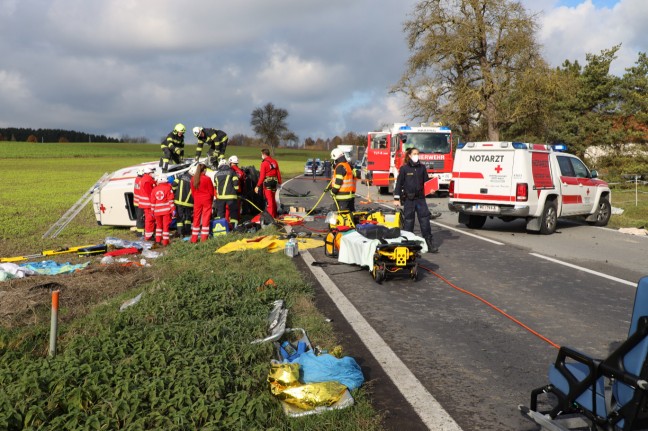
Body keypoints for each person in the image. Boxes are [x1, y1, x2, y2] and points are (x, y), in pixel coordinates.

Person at [393, 147, 438, 253]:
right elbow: (399, 184)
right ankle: (408, 245)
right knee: (409, 222)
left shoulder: (422, 168)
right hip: (409, 200)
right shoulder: (404, 169)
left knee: (425, 221)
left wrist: (431, 189)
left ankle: (429, 243)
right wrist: (396, 198)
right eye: (414, 153)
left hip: (420, 199)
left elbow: (426, 182)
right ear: (409, 155)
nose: (416, 155)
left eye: (417, 153)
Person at [189, 163, 214, 243]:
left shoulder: (193, 179)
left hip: (197, 200)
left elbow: (192, 192)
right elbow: (211, 191)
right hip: (206, 200)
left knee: (196, 219)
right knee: (205, 219)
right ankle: (204, 238)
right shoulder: (207, 179)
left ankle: (194, 238)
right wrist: (211, 200)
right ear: (204, 170)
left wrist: (196, 198)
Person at [326, 148, 356, 212]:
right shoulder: (348, 165)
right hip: (350, 196)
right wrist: (330, 186)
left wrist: (333, 191)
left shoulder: (339, 167)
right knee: (350, 215)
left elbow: (338, 182)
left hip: (342, 196)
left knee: (340, 216)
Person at [255, 148, 282, 219]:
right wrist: (279, 182)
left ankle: (270, 218)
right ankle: (275, 215)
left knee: (269, 201)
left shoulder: (264, 163)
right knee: (273, 199)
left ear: (264, 154)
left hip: (268, 184)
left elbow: (262, 176)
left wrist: (257, 186)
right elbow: (278, 173)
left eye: (262, 154)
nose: (261, 156)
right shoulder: (274, 161)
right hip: (274, 183)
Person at [214, 158, 240, 230]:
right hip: (231, 196)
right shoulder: (232, 172)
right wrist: (236, 190)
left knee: (220, 213)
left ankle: (220, 228)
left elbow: (215, 186)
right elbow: (236, 182)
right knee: (233, 213)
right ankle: (234, 228)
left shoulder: (216, 174)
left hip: (220, 197)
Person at [150, 175, 175, 246]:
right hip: (166, 211)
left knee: (158, 226)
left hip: (157, 212)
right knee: (165, 226)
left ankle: (157, 240)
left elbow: (152, 202)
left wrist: (152, 211)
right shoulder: (168, 188)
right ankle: (165, 241)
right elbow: (170, 200)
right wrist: (173, 210)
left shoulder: (154, 189)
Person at [171, 167, 194, 237]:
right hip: (189, 203)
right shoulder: (194, 179)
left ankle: (180, 232)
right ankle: (187, 232)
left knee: (179, 218)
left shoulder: (181, 177)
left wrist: (175, 192)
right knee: (188, 218)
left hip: (178, 201)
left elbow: (174, 184)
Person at [136, 167, 157, 241]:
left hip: (146, 204)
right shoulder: (147, 180)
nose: (154, 173)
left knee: (149, 220)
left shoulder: (145, 179)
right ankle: (148, 236)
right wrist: (153, 204)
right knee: (150, 220)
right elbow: (150, 193)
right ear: (149, 173)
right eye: (152, 172)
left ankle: (149, 235)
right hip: (148, 204)